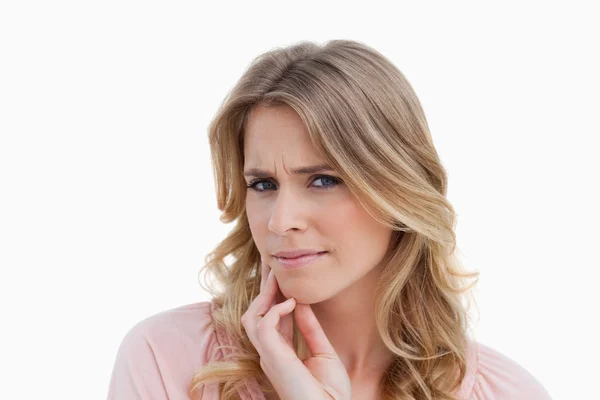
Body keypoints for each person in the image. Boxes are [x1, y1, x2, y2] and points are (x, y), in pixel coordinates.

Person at [107, 39, 552, 399]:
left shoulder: (506, 392)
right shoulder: (168, 361)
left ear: (397, 188)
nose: (281, 222)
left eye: (322, 181)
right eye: (263, 185)